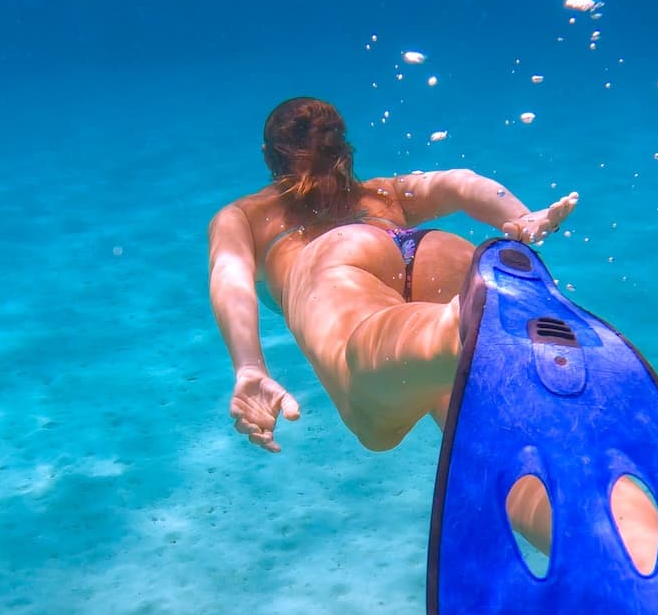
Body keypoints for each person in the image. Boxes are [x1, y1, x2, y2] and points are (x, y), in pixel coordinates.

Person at [206, 96, 579, 455]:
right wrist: (520, 216)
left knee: (375, 424)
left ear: (268, 156)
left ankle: (460, 325)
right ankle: (615, 509)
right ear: (342, 145)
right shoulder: (386, 194)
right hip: (434, 252)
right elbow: (457, 182)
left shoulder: (246, 216)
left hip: (342, 269)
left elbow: (229, 275)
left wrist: (250, 367)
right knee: (480, 426)